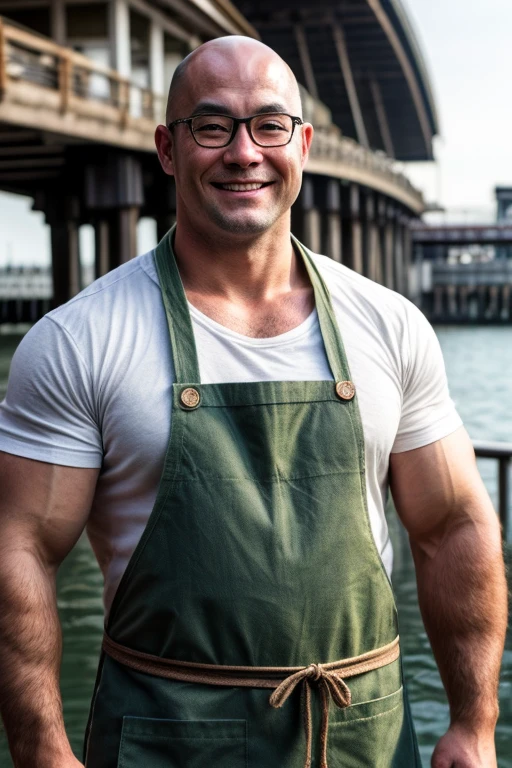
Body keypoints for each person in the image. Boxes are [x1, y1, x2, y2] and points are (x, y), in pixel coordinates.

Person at [0, 35, 507, 768]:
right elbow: (18, 545)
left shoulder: (390, 326)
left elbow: (454, 524)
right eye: (212, 127)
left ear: (302, 144)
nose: (244, 153)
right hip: (160, 742)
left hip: (360, 737)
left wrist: (475, 721)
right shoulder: (79, 340)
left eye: (269, 125)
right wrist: (41, 747)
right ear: (167, 150)